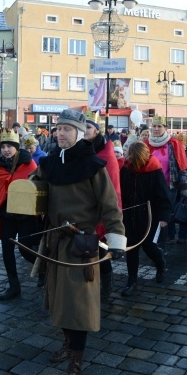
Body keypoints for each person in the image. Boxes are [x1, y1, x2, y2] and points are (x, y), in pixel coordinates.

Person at [35, 109, 125, 375]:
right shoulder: (50, 163)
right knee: (59, 299)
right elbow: (35, 190)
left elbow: (110, 206)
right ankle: (67, 344)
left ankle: (76, 360)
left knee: (78, 303)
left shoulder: (92, 165)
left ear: (78, 133)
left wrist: (116, 239)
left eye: (66, 129)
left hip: (81, 244)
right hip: (54, 241)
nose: (60, 133)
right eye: (57, 129)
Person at [0, 129, 39, 300]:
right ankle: (14, 286)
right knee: (6, 251)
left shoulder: (28, 164)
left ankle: (44, 270)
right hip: (7, 215)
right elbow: (0, 192)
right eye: (3, 146)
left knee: (26, 250)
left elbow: (37, 189)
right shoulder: (0, 166)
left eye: (10, 146)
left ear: (16, 147)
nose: (6, 150)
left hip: (25, 215)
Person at [119, 141, 170, 296]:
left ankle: (160, 263)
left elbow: (163, 196)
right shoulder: (126, 169)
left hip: (149, 215)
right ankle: (132, 282)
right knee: (131, 248)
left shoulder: (154, 171)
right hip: (130, 215)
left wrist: (164, 216)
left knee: (148, 246)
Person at [83, 112, 122, 297]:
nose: (85, 131)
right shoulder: (82, 148)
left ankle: (107, 284)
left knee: (99, 248)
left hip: (100, 208)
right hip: (83, 208)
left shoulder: (106, 153)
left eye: (88, 127)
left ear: (97, 130)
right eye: (82, 127)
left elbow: (112, 187)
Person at [144, 114, 187, 251]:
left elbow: (182, 165)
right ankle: (150, 241)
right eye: (154, 126)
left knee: (163, 215)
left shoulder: (173, 143)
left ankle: (161, 245)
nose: (156, 129)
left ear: (165, 128)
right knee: (150, 214)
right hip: (150, 186)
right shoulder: (146, 143)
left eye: (159, 126)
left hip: (169, 186)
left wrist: (184, 186)